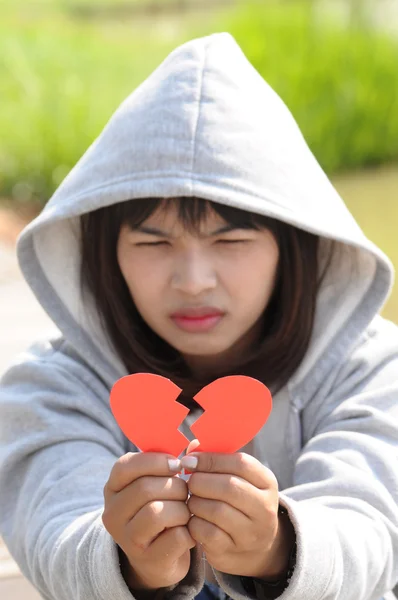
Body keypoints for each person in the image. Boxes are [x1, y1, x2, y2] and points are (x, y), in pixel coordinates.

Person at [0, 32, 397, 600]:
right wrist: (130, 559)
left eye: (230, 240)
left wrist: (277, 546)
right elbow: (53, 533)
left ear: (295, 247)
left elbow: (376, 526)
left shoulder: (374, 367)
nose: (192, 280)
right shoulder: (49, 388)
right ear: (103, 253)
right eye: (154, 243)